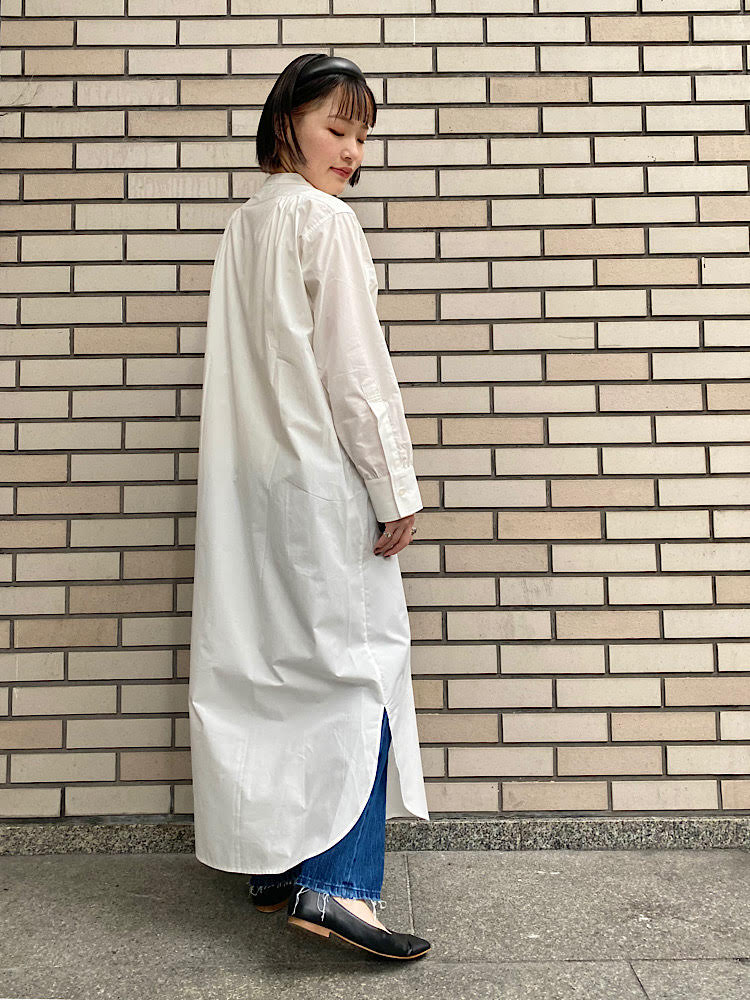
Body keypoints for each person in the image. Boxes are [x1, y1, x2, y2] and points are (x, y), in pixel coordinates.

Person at [188, 53, 431, 961]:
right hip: (318, 483)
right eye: (337, 127)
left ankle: (274, 870)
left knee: (267, 673)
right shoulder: (323, 220)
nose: (352, 151)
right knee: (357, 673)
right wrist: (395, 487)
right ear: (285, 120)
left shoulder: (246, 224)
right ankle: (337, 887)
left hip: (247, 493)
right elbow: (355, 373)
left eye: (362, 135)